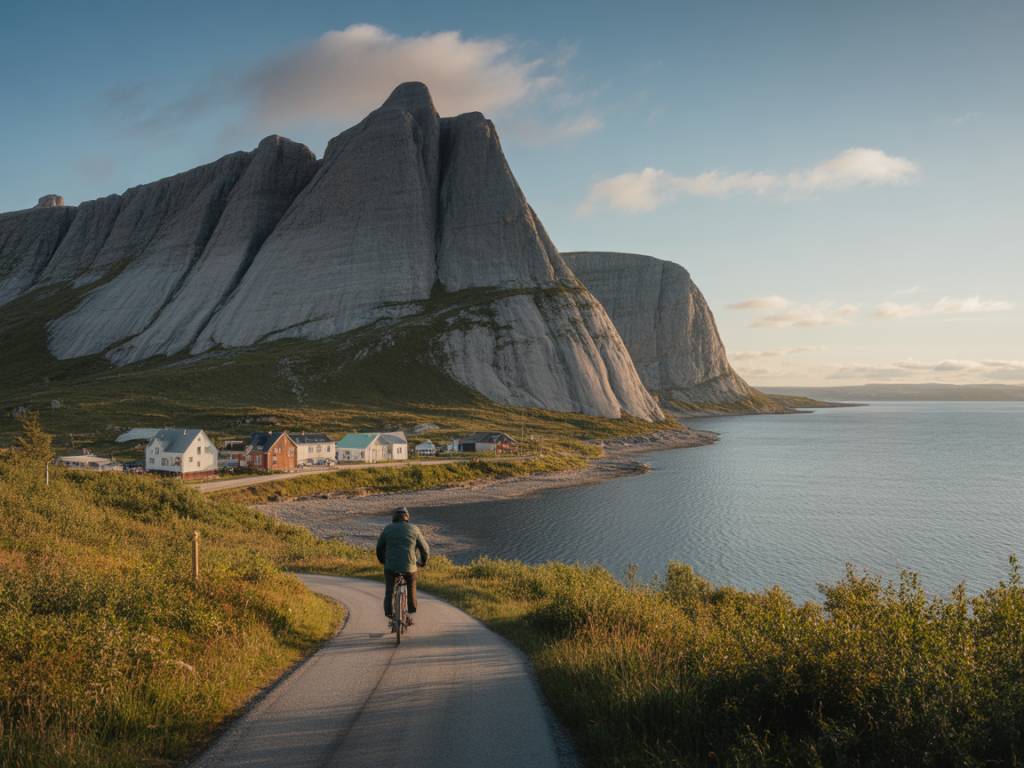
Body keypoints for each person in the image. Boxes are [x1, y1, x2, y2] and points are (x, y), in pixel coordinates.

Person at [375, 507, 429, 624]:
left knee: (389, 590)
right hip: (410, 567)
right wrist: (422, 562)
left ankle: (389, 611)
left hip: (390, 567)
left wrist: (383, 560)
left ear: (394, 517)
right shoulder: (414, 529)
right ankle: (411, 609)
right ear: (407, 518)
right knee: (411, 586)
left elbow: (379, 548)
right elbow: (425, 549)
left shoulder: (388, 529)